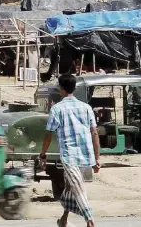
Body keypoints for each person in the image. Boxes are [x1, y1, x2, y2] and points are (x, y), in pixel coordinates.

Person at [39, 74, 101, 227]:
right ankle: (64, 220)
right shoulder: (86, 108)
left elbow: (48, 134)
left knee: (77, 185)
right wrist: (97, 158)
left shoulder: (57, 109)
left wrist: (43, 154)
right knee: (70, 186)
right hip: (86, 155)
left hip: (69, 156)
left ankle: (89, 219)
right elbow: (94, 132)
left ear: (61, 89)